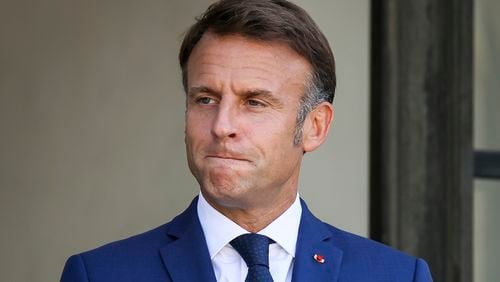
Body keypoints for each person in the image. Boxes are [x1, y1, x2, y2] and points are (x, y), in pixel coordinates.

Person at [61, 0, 433, 281]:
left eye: (254, 103)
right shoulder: (100, 274)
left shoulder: (396, 276)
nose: (222, 126)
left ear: (315, 126)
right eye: (205, 99)